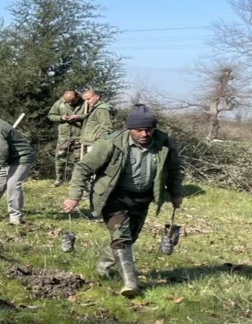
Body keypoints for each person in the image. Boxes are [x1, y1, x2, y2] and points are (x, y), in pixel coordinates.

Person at [61, 104, 184, 297]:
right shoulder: (111, 143)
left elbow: (175, 169)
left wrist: (176, 194)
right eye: (139, 130)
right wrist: (74, 196)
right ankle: (130, 283)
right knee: (122, 237)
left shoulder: (164, 143)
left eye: (149, 129)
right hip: (113, 196)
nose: (145, 134)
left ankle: (103, 265)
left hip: (142, 197)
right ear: (129, 129)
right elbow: (83, 168)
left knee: (130, 237)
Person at [47, 90, 84, 187]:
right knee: (60, 158)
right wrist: (61, 118)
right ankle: (58, 179)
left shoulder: (85, 103)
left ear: (77, 97)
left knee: (79, 160)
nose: (70, 103)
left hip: (79, 136)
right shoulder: (59, 103)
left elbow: (90, 115)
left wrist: (79, 117)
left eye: (72, 101)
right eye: (67, 101)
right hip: (64, 136)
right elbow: (51, 116)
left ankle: (75, 181)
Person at [77, 89, 116, 155]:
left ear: (97, 97)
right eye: (85, 100)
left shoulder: (102, 109)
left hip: (96, 144)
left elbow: (106, 127)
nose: (87, 102)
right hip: (92, 143)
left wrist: (102, 144)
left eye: (88, 99)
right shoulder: (95, 109)